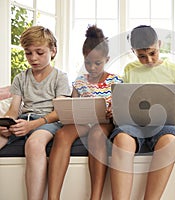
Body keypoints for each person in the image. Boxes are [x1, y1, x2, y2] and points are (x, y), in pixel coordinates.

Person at [47, 25, 122, 200]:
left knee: (97, 134)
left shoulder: (115, 81)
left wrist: (112, 111)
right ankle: (53, 196)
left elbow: (120, 109)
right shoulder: (79, 82)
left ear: (107, 59)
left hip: (103, 123)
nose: (92, 67)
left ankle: (95, 197)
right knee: (62, 135)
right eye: (87, 62)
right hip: (81, 122)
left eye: (98, 63)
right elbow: (73, 104)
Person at [109, 25, 175, 200]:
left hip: (164, 124)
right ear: (133, 52)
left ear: (159, 44)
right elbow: (124, 99)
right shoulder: (129, 69)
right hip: (133, 122)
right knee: (121, 140)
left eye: (152, 53)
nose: (148, 60)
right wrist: (115, 109)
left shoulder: (174, 70)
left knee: (169, 141)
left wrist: (174, 105)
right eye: (141, 56)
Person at [0, 26, 71, 200]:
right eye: (28, 53)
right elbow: (13, 109)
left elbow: (59, 112)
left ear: (53, 51)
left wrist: (32, 125)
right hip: (23, 120)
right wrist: (6, 124)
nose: (33, 58)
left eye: (39, 52)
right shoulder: (20, 78)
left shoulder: (60, 77)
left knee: (34, 143)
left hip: (47, 122)